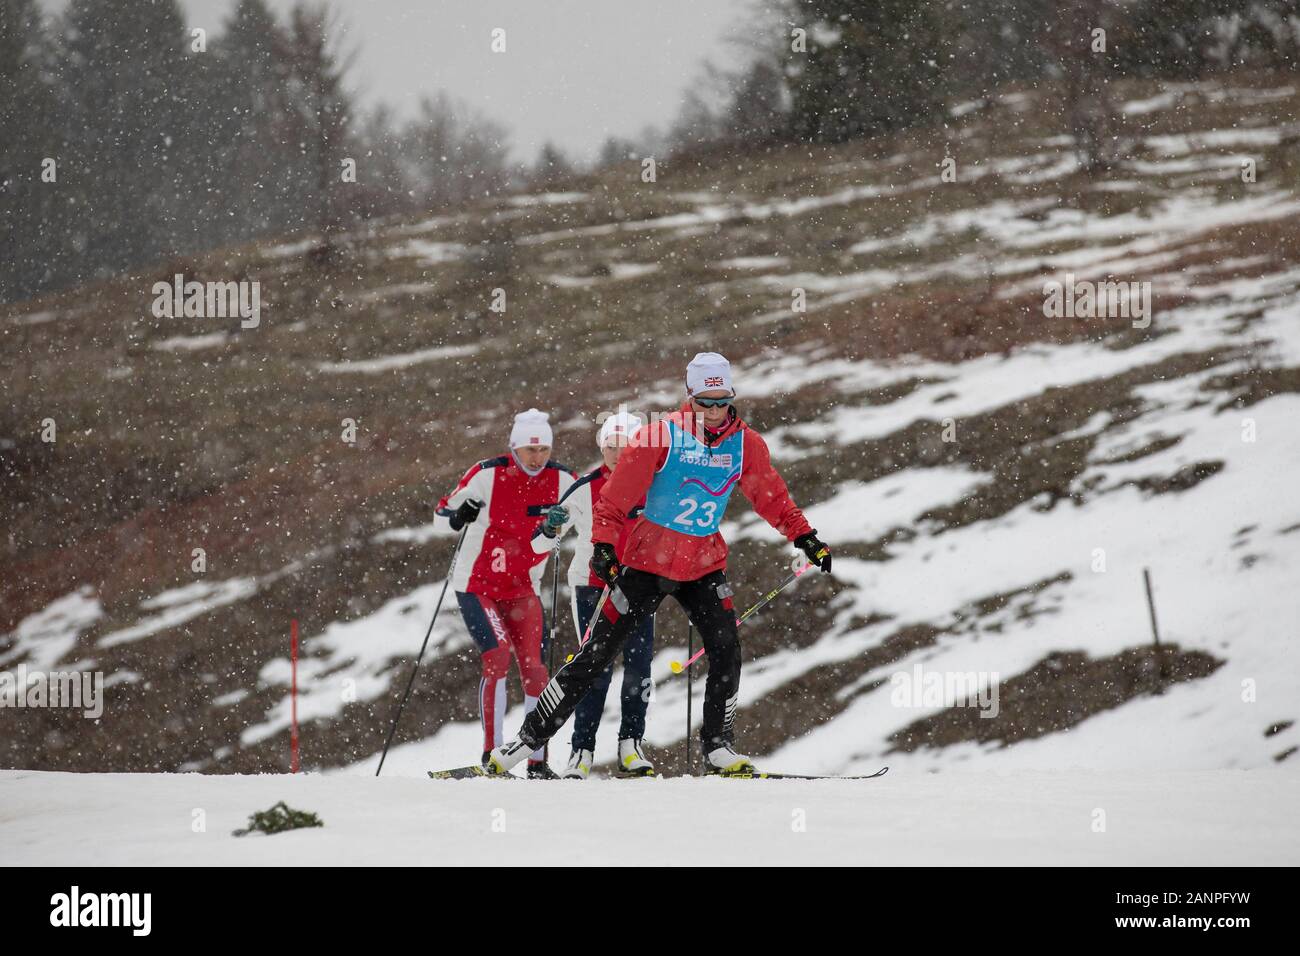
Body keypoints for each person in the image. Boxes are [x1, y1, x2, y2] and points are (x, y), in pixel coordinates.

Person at [486, 353, 831, 777]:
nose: (713, 411)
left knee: (726, 649)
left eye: (721, 401)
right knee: (596, 654)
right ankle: (525, 742)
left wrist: (804, 536)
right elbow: (613, 501)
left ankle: (719, 747)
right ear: (690, 397)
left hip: (703, 564)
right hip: (648, 563)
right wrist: (605, 548)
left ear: (731, 398)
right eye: (704, 402)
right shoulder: (659, 436)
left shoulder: (746, 445)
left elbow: (771, 497)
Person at [434, 408, 575, 779]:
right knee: (497, 656)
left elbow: (581, 519)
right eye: (529, 449)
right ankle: (490, 754)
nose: (536, 457)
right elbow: (440, 516)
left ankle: (536, 760)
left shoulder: (562, 480)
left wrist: (555, 528)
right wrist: (458, 515)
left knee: (536, 670)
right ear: (514, 447)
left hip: (522, 588)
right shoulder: (486, 474)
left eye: (543, 449)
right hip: (477, 585)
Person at [531, 410, 656, 779]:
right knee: (593, 668)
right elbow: (541, 542)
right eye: (611, 445)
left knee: (639, 666)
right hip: (591, 586)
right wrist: (551, 525)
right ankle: (581, 751)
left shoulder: (654, 484)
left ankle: (631, 745)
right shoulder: (585, 487)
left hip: (639, 585)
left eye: (627, 445)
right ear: (602, 447)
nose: (618, 453)